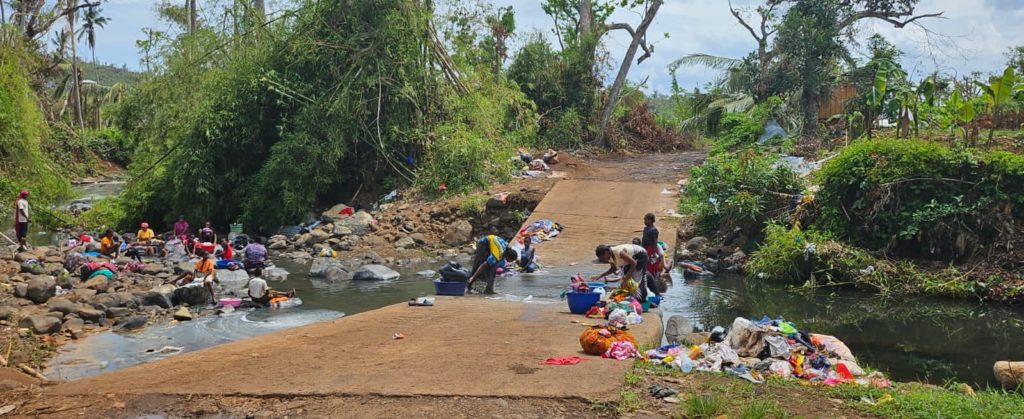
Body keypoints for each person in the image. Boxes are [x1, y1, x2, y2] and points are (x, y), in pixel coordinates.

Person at [641, 213, 666, 284]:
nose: (644, 222)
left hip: (651, 248)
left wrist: (654, 252)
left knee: (651, 263)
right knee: (646, 262)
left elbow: (655, 241)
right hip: (645, 248)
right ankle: (646, 276)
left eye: (645, 220)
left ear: (650, 220)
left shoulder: (654, 230)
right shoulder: (646, 228)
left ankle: (652, 278)